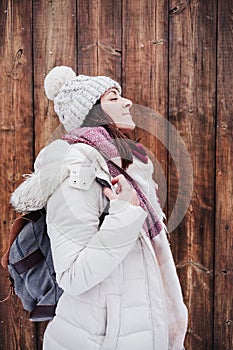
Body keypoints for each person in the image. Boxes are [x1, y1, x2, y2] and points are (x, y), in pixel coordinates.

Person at [10, 66, 188, 350]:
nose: (128, 102)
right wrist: (124, 218)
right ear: (91, 113)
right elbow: (73, 275)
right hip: (98, 339)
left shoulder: (128, 169)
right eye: (113, 97)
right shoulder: (77, 171)